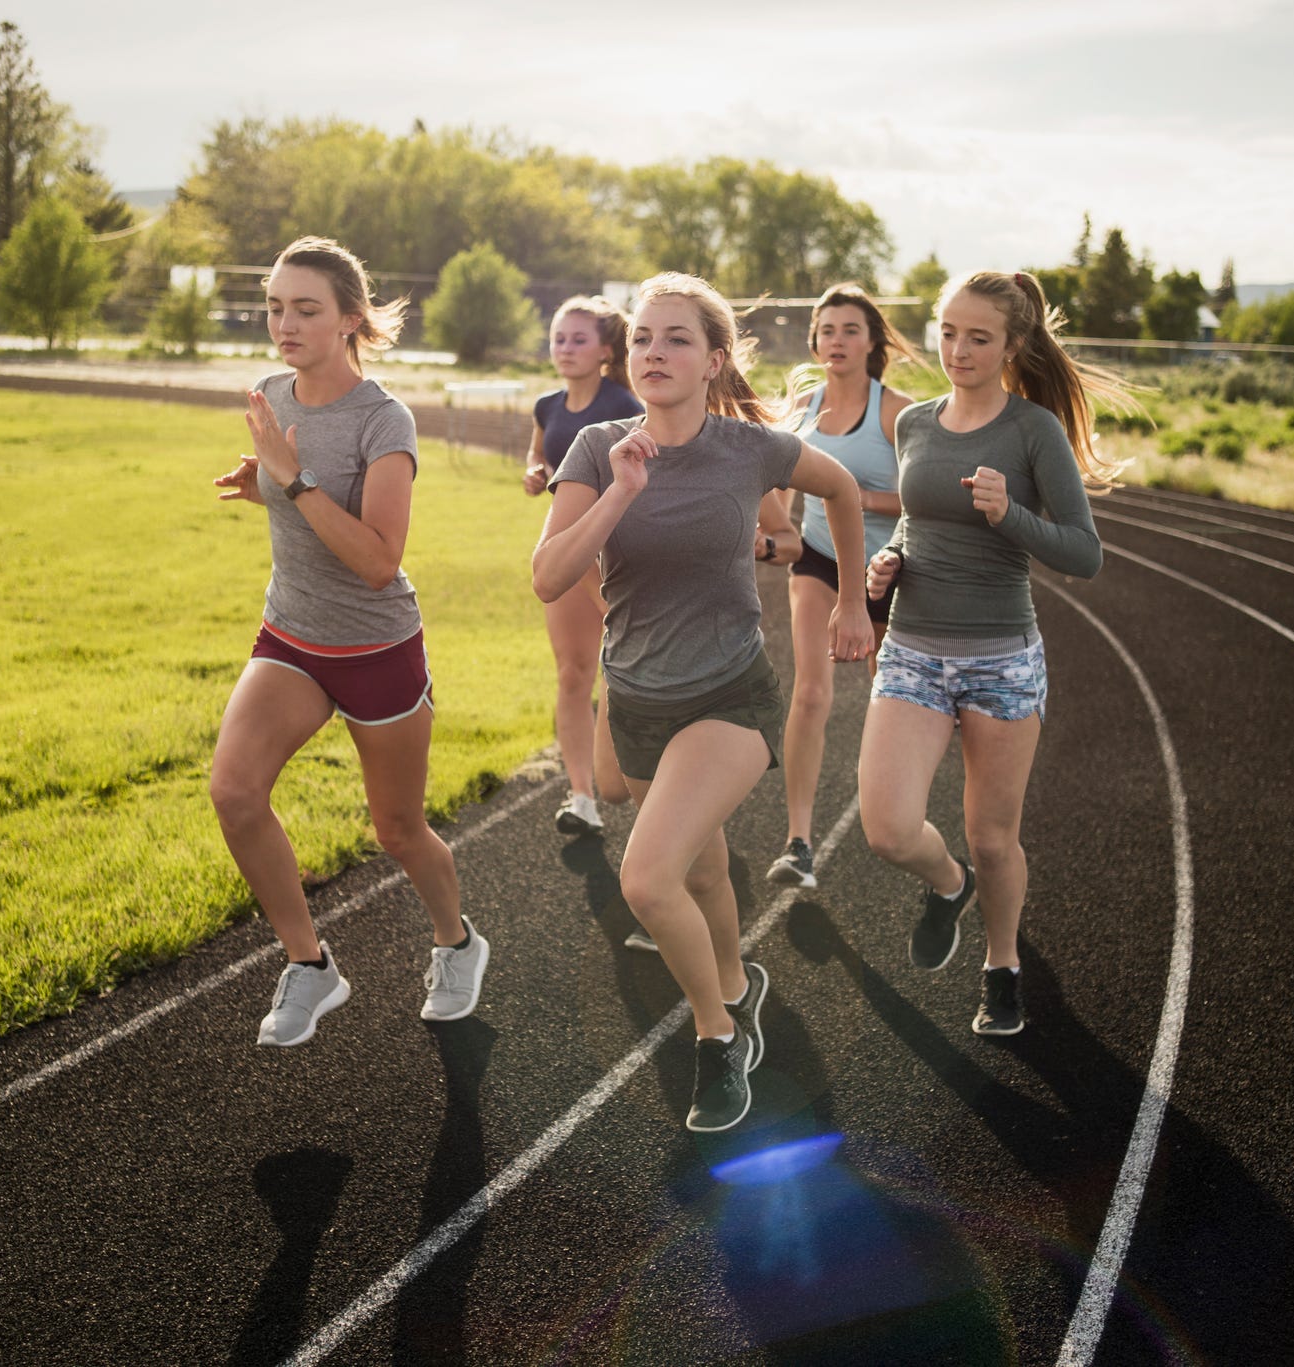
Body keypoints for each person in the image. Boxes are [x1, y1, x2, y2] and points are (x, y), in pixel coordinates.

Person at [533, 272, 874, 1133]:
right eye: (644, 337)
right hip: (639, 695)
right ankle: (735, 979)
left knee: (647, 878)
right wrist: (620, 490)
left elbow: (837, 490)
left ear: (714, 360)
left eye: (677, 338)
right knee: (701, 867)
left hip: (728, 697)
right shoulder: (596, 448)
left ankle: (719, 1038)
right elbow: (548, 576)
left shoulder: (748, 448)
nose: (655, 352)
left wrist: (849, 599)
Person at [209, 235, 487, 1047]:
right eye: (274, 307)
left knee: (397, 829)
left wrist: (289, 480)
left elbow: (376, 560)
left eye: (305, 309)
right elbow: (290, 486)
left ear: (351, 318)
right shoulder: (269, 391)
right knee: (233, 791)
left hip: (375, 647)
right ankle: (311, 964)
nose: (284, 324)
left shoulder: (384, 420)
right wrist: (259, 482)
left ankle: (457, 942)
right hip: (292, 635)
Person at [858, 270, 1128, 1038]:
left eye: (978, 336)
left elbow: (1085, 554)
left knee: (992, 835)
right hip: (911, 647)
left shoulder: (1032, 431)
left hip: (1000, 660)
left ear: (1013, 344)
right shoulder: (914, 425)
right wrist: (892, 562)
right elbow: (918, 523)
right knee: (885, 828)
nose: (957, 348)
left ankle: (1001, 963)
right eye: (947, 331)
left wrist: (1011, 515)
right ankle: (948, 885)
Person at [763, 284, 918, 891]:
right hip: (822, 562)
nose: (837, 340)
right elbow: (778, 486)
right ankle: (799, 842)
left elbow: (923, 497)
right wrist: (770, 532)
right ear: (814, 342)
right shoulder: (802, 407)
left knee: (893, 700)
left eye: (850, 329)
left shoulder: (896, 413)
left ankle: (897, 821)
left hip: (894, 568)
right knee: (810, 693)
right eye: (826, 330)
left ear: (872, 341)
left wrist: (850, 493)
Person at [522, 297, 641, 840]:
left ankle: (654, 797)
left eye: (578, 340)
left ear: (606, 352)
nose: (564, 349)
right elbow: (542, 460)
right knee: (574, 673)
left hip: (626, 554)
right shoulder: (548, 405)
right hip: (570, 556)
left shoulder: (627, 404)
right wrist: (533, 474)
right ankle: (582, 796)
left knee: (633, 674)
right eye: (558, 338)